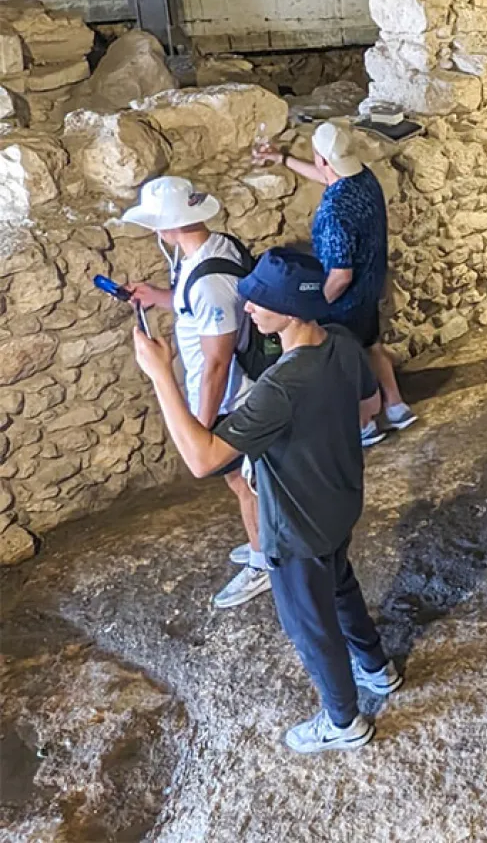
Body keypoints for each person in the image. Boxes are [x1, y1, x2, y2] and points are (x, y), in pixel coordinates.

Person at [133, 247, 404, 753]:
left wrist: (160, 376)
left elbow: (201, 459)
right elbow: (368, 406)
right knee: (340, 587)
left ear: (292, 310)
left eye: (258, 302)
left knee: (310, 624)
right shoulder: (342, 343)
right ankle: (377, 667)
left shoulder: (279, 386)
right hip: (340, 503)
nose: (248, 310)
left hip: (297, 528)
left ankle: (344, 721)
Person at [122, 176, 267, 611]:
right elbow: (194, 307)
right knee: (243, 480)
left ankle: (263, 561)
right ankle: (265, 541)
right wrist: (158, 297)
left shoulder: (206, 282)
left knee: (245, 483)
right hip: (226, 391)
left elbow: (218, 361)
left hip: (231, 398)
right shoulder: (212, 249)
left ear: (167, 227)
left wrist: (201, 426)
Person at [253, 121, 414, 446]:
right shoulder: (363, 178)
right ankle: (396, 406)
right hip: (371, 285)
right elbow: (327, 175)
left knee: (342, 362)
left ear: (322, 157)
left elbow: (340, 275)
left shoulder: (334, 210)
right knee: (372, 345)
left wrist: (314, 306)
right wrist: (282, 159)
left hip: (344, 300)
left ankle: (364, 424)